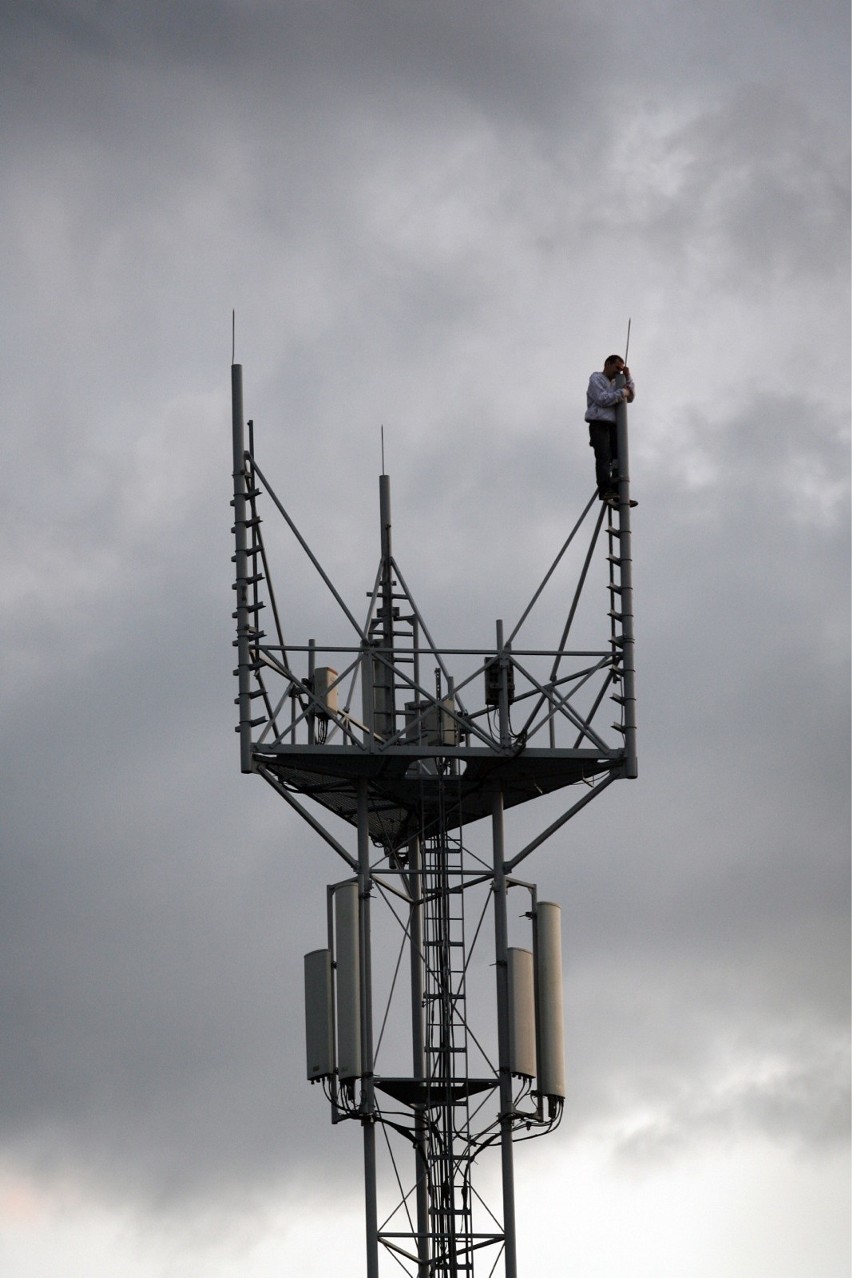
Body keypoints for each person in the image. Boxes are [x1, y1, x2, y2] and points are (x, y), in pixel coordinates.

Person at [585, 355, 636, 504]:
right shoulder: (596, 379)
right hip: (599, 424)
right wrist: (622, 393)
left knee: (619, 459)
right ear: (608, 364)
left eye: (621, 369)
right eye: (617, 368)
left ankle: (620, 493)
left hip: (614, 425)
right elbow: (602, 399)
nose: (618, 372)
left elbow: (631, 396)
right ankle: (606, 490)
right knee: (604, 457)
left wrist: (628, 376)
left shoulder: (617, 381)